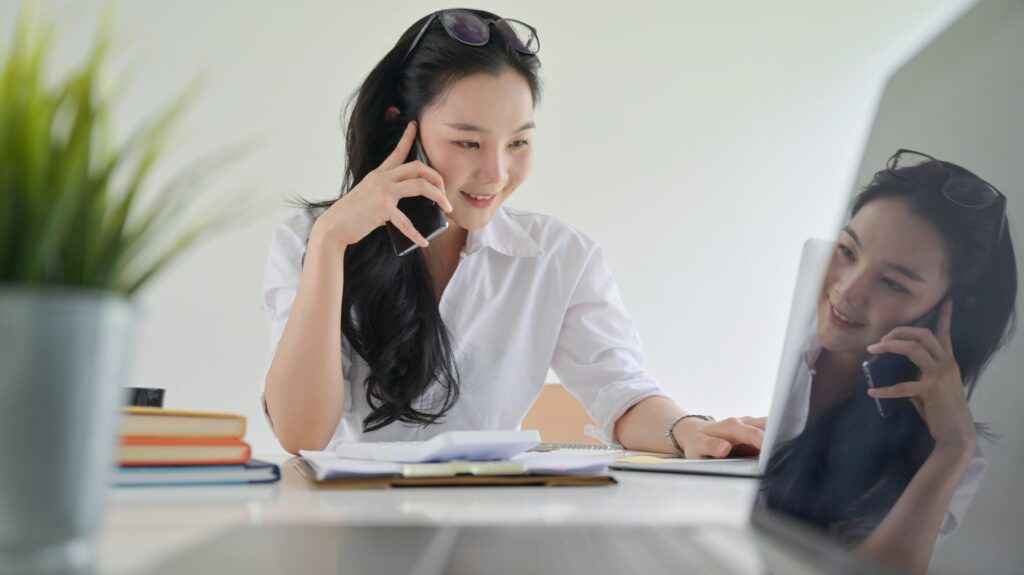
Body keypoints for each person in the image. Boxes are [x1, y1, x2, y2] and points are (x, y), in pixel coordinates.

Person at [261, 8, 765, 458]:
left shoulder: (558, 255)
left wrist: (688, 430)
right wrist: (329, 244)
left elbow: (620, 390)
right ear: (401, 128)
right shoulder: (311, 239)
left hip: (488, 524)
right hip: (350, 529)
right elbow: (302, 435)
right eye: (468, 142)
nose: (496, 173)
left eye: (518, 142)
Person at [760, 149, 1016, 575]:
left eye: (893, 282)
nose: (848, 289)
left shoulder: (941, 446)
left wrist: (952, 450)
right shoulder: (768, 333)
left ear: (947, 310)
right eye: (847, 250)